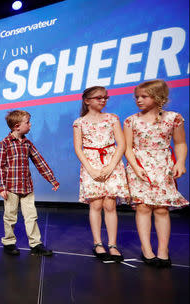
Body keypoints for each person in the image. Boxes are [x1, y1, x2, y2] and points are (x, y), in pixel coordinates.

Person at [124, 79, 188, 268]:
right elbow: (127, 148)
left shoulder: (173, 118)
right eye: (137, 97)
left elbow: (180, 143)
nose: (139, 100)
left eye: (144, 96)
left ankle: (163, 251)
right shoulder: (131, 120)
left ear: (158, 97)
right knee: (143, 207)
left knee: (161, 208)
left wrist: (181, 162)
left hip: (162, 166)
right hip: (140, 166)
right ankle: (147, 249)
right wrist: (136, 167)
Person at [73, 86, 129, 262]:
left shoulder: (112, 119)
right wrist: (90, 169)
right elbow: (78, 148)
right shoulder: (79, 122)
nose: (103, 100)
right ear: (87, 101)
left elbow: (121, 144)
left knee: (110, 205)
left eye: (105, 97)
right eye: (98, 97)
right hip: (91, 164)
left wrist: (111, 166)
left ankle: (112, 244)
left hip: (111, 162)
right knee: (96, 205)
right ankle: (98, 243)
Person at [0, 110, 59, 256]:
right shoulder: (4, 144)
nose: (30, 125)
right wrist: (1, 187)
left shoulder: (27, 144)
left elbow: (39, 161)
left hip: (27, 187)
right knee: (10, 216)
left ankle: (35, 244)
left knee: (31, 215)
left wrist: (52, 179)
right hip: (10, 187)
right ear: (17, 126)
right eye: (27, 122)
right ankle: (9, 242)